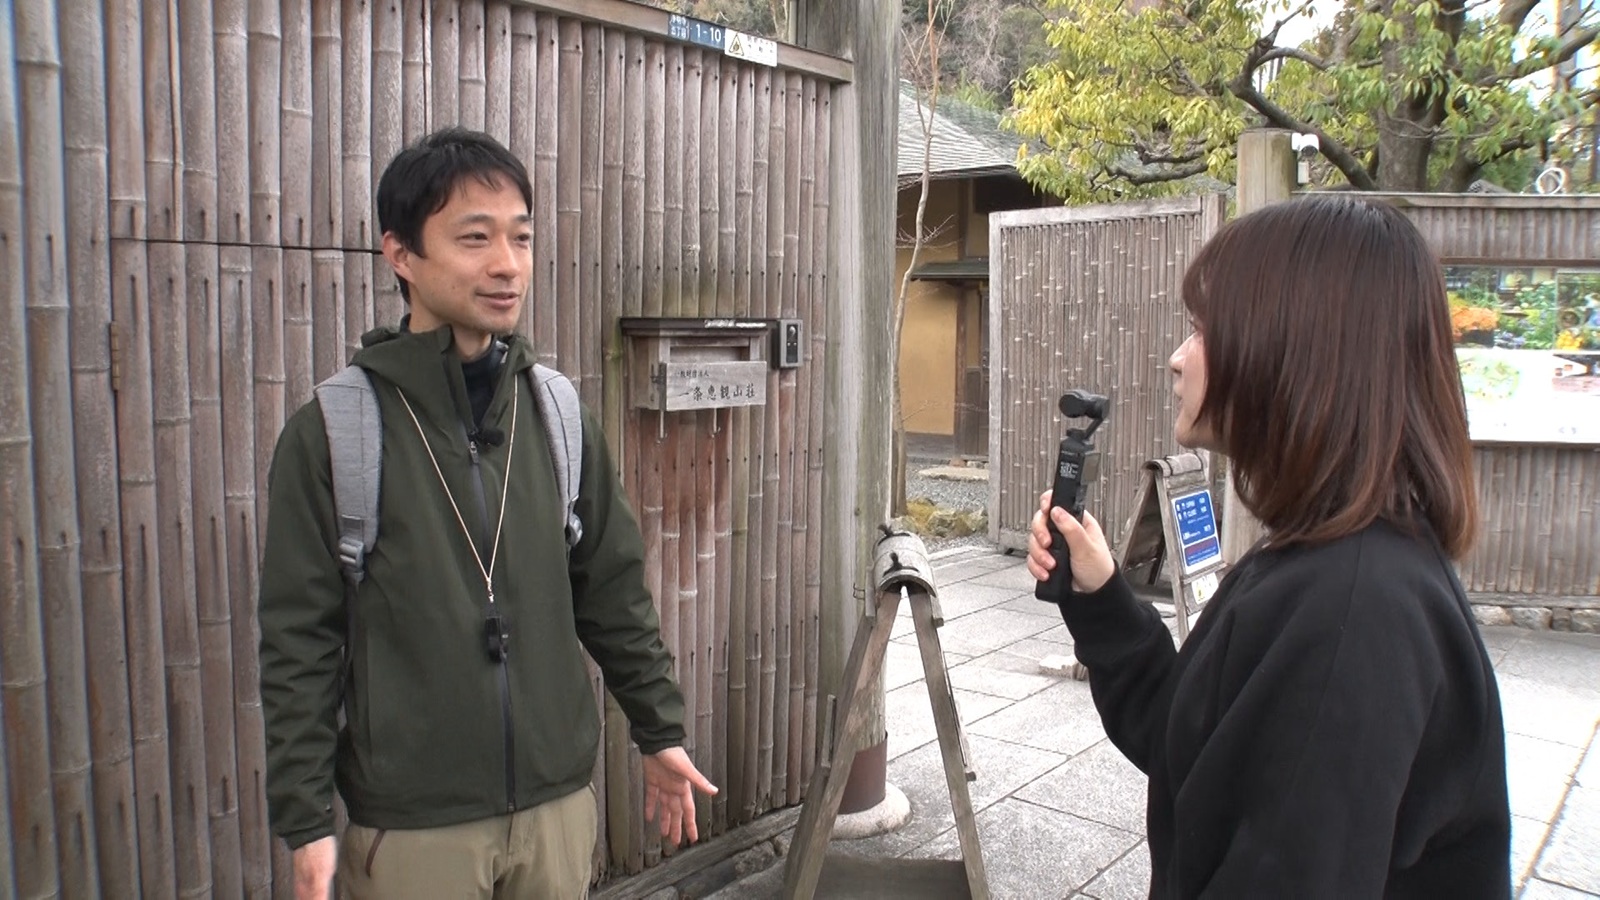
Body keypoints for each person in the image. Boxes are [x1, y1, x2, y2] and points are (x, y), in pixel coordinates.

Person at [258, 127, 716, 900]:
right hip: (413, 828)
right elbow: (299, 644)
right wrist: (305, 820)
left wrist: (658, 728)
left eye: (521, 237)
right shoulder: (336, 432)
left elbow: (613, 592)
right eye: (475, 239)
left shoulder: (557, 413)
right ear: (400, 254)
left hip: (556, 808)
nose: (507, 264)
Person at [1027, 194, 1511, 898]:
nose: (1176, 358)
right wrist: (1102, 597)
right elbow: (1190, 746)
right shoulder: (1322, 561)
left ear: (1293, 348)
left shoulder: (1353, 614)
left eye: (1200, 329)